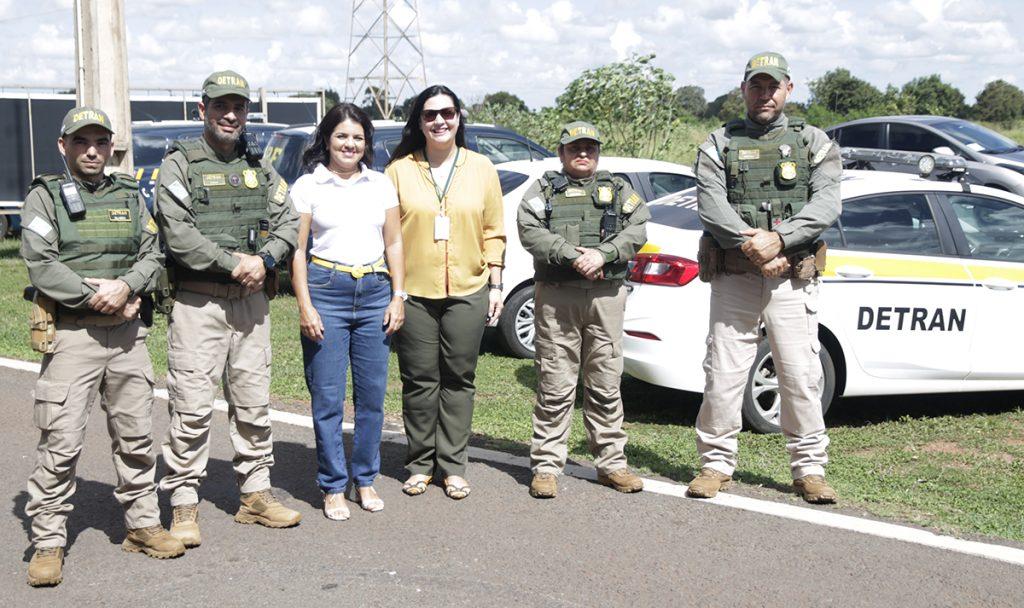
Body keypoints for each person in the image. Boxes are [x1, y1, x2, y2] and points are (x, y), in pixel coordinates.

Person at [20, 107, 185, 586]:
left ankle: (142, 525)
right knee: (61, 441)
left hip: (128, 335)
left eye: (100, 142)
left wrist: (128, 287)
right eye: (81, 141)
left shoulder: (131, 194)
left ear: (112, 146)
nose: (91, 151)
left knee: (136, 436)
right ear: (63, 146)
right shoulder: (44, 196)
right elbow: (41, 264)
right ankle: (48, 541)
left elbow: (153, 252)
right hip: (73, 336)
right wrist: (100, 297)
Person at [687, 51, 842, 504]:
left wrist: (780, 240)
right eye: (756, 86)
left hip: (791, 278)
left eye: (773, 86)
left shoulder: (814, 142)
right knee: (723, 375)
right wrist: (756, 249)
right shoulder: (718, 143)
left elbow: (827, 204)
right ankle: (715, 465)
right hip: (736, 276)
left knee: (800, 376)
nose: (764, 94)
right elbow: (711, 205)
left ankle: (809, 470)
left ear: (788, 89)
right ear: (743, 90)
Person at [155, 70, 301, 546]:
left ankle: (255, 494)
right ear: (203, 110)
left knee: (254, 402)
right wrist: (234, 263)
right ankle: (183, 502)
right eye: (221, 106)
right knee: (192, 407)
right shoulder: (179, 165)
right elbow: (177, 234)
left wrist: (265, 259)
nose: (230, 115)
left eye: (238, 107)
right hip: (200, 303)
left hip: (250, 304)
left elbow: (289, 220)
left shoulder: (259, 165)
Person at [384, 85, 505, 500]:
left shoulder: (481, 167)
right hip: (415, 292)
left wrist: (496, 285)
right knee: (419, 380)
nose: (440, 121)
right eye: (430, 114)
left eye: (448, 113)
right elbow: (388, 234)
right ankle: (420, 464)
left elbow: (494, 231)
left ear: (459, 117)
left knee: (459, 379)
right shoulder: (399, 171)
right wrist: (395, 290)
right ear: (419, 122)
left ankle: (452, 466)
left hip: (469, 288)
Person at [517, 121, 649, 499]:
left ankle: (612, 464)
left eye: (590, 147)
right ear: (561, 153)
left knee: (606, 382)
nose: (583, 153)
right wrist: (571, 255)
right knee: (555, 383)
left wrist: (603, 255)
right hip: (558, 296)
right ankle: (546, 466)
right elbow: (529, 229)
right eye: (575, 148)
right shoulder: (544, 189)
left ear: (598, 152)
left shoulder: (618, 188)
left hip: (606, 297)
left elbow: (638, 227)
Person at [290, 103, 406, 520]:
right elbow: (297, 251)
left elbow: (394, 242)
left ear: (366, 143)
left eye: (358, 137)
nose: (349, 144)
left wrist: (398, 296)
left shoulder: (380, 184)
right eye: (341, 135)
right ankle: (333, 485)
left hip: (375, 292)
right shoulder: (308, 186)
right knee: (327, 397)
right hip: (327, 291)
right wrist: (305, 305)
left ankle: (366, 479)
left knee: (372, 397)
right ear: (327, 139)